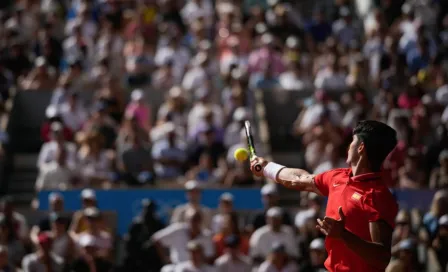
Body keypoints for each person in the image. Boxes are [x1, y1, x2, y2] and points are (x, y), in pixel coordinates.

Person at [250, 120, 399, 271]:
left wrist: (344, 235)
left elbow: (382, 258)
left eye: (352, 142)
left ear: (360, 148)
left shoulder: (378, 196)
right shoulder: (337, 177)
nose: (348, 147)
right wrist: (267, 168)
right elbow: (299, 179)